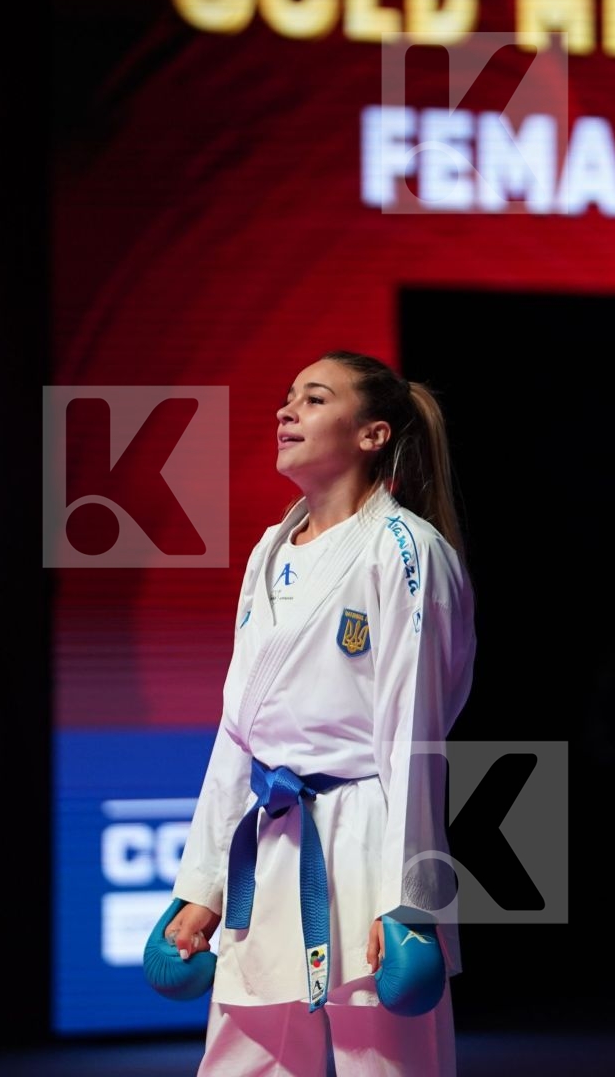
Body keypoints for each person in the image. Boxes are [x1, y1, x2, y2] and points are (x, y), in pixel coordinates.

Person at [164, 350, 476, 1076]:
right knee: (241, 1059)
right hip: (268, 845)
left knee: (387, 1063)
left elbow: (413, 736)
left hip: (366, 839)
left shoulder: (406, 552)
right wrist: (201, 885)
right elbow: (238, 729)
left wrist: (411, 899)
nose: (286, 412)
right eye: (286, 398)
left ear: (370, 435)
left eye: (312, 399)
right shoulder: (270, 551)